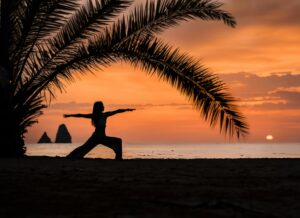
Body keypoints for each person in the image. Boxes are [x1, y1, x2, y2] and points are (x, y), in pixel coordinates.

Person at [64, 101, 135, 160]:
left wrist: (127, 109)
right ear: (99, 107)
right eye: (102, 105)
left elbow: (117, 111)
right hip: (97, 137)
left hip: (101, 137)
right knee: (84, 147)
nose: (104, 107)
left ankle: (118, 158)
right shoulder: (94, 116)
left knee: (118, 141)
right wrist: (69, 115)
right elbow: (80, 115)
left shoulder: (105, 115)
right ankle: (69, 156)